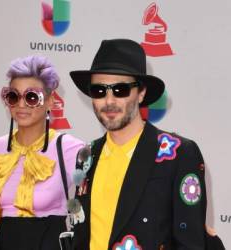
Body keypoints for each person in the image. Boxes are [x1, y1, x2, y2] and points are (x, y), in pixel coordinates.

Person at [69, 39, 225, 250]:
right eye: (99, 91)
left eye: (120, 89)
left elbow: (190, 243)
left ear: (141, 93)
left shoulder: (178, 154)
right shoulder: (86, 155)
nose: (108, 101)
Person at [0, 55, 84, 250]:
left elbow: (88, 207)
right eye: (13, 96)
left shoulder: (70, 148)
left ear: (50, 101)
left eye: (31, 97)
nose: (21, 105)